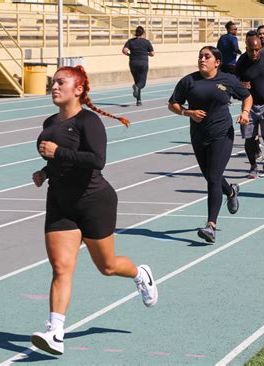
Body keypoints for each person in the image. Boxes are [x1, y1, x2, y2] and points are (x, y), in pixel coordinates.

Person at [31, 65, 158, 356]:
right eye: (53, 82)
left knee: (108, 266)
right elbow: (59, 161)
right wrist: (45, 172)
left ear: (78, 90)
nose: (54, 86)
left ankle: (140, 274)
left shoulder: (89, 122)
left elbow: (96, 160)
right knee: (61, 268)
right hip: (60, 204)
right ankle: (55, 332)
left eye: (60, 82)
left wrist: (57, 154)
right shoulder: (49, 122)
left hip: (94, 202)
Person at [168, 46, 252, 243]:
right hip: (199, 135)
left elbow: (247, 96)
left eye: (207, 57)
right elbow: (173, 104)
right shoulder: (189, 81)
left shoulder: (228, 80)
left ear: (217, 62)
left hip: (222, 134)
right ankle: (231, 191)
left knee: (213, 177)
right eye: (200, 56)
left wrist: (245, 113)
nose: (202, 60)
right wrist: (188, 112)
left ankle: (210, 226)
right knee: (211, 176)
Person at [236, 32, 264, 179]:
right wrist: (241, 84)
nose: (254, 53)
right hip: (249, 105)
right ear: (246, 48)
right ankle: (253, 167)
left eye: (257, 49)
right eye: (251, 49)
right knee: (249, 138)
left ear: (261, 48)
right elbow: (234, 81)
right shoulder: (242, 61)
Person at [122, 26, 155, 106]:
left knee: (137, 81)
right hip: (143, 63)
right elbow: (152, 53)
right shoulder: (146, 42)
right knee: (142, 83)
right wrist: (146, 53)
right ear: (143, 33)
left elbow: (124, 50)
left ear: (135, 33)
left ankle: (138, 101)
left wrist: (129, 54)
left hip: (133, 63)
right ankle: (136, 89)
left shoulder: (130, 41)